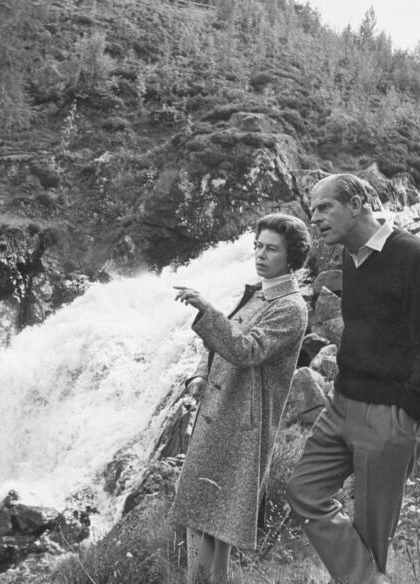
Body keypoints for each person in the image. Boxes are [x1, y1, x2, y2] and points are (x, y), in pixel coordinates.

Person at [286, 174, 420, 584]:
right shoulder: (352, 254)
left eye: (325, 207)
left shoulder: (417, 258)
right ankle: (369, 580)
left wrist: (407, 414)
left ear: (358, 202)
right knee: (304, 491)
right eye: (312, 210)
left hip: (390, 414)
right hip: (342, 403)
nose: (316, 218)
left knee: (373, 532)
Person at [168, 213, 311, 584]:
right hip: (220, 411)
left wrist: (206, 308)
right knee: (203, 514)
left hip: (242, 425)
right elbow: (222, 336)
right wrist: (200, 373)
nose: (261, 255)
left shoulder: (291, 307)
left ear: (291, 256)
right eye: (258, 246)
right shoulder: (260, 292)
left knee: (218, 518)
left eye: (271, 249)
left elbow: (246, 348)